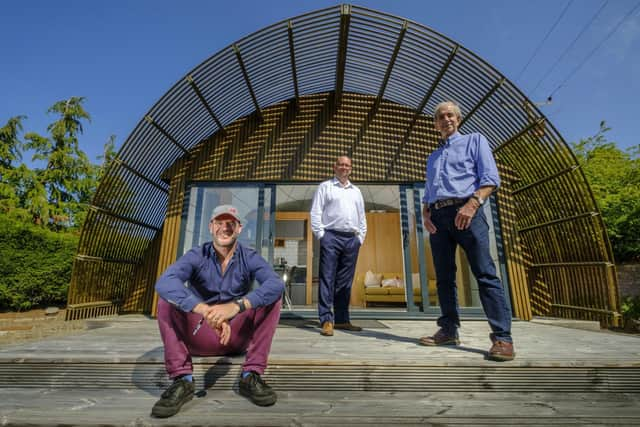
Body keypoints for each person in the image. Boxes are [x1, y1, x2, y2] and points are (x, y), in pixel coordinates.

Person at [152, 204, 284, 418]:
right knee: (167, 300)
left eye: (230, 223)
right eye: (219, 223)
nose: (225, 228)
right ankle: (182, 380)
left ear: (239, 228)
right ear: (211, 227)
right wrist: (206, 311)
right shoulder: (196, 255)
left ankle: (251, 375)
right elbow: (165, 282)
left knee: (272, 297)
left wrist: (235, 307)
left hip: (237, 336)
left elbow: (275, 284)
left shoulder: (249, 256)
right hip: (200, 334)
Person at [419, 100, 515, 362]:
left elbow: (490, 179)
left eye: (450, 115)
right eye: (440, 117)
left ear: (458, 119)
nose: (445, 119)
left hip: (467, 213)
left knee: (484, 273)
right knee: (444, 278)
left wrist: (473, 204)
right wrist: (425, 213)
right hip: (438, 218)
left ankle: (503, 338)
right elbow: (429, 190)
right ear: (436, 124)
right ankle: (449, 330)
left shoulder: (475, 140)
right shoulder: (433, 156)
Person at [310, 156, 367, 337]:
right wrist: (322, 236)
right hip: (331, 237)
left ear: (351, 168)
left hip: (352, 239)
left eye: (347, 165)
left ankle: (342, 319)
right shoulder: (325, 187)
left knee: (345, 282)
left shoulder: (356, 191)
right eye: (341, 164)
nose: (344, 167)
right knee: (327, 278)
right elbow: (316, 212)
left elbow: (362, 216)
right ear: (335, 167)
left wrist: (360, 238)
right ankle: (326, 319)